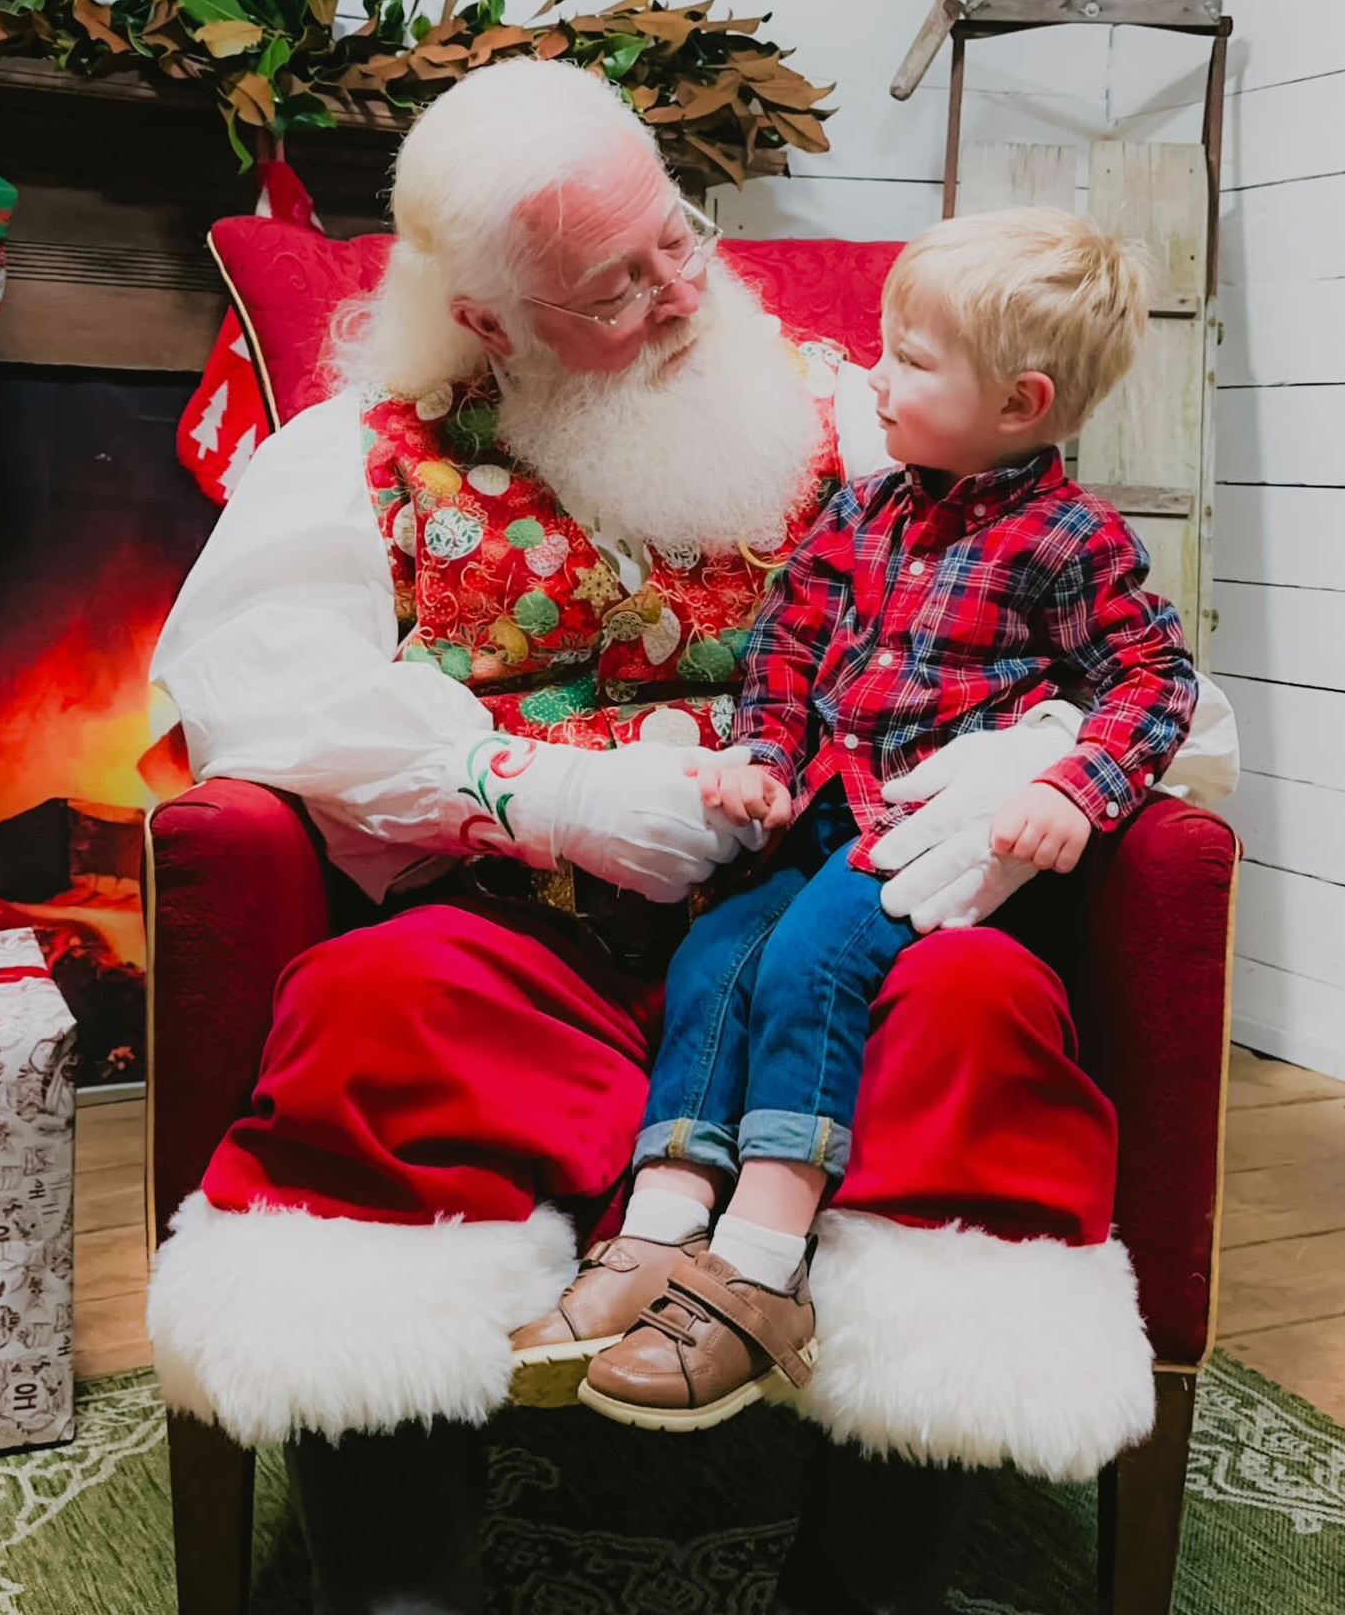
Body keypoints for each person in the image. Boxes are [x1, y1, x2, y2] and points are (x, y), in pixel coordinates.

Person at [144, 59, 1236, 1615]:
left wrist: (1033, 766)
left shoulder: (866, 418)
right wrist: (547, 794)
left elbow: (1131, 666)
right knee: (367, 1014)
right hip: (532, 940)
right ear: (490, 323)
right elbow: (255, 699)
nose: (677, 295)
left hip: (828, 927)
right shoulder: (356, 455)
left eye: (678, 239)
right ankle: (405, 1587)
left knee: (991, 1014)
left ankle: (865, 1581)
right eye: (614, 285)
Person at [510, 209, 1196, 1432]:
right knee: (721, 949)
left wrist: (1064, 788)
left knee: (815, 962)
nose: (873, 373)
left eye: (913, 359)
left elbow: (1154, 685)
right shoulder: (862, 517)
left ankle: (766, 1268)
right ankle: (662, 1226)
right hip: (823, 819)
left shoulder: (1071, 543)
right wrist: (762, 758)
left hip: (928, 843)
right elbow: (786, 651)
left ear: (1022, 402)